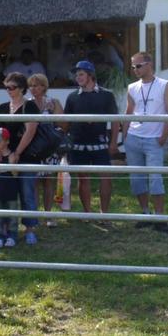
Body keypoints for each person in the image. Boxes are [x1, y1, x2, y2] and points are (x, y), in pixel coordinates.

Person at [60, 61, 119, 229]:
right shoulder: (72, 97)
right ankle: (87, 213)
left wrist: (114, 142)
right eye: (76, 74)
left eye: (81, 74)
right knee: (83, 178)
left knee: (105, 178)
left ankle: (104, 214)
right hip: (78, 144)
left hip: (100, 144)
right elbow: (66, 123)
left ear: (90, 75)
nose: (77, 77)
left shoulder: (106, 95)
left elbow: (115, 121)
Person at [125, 52, 168, 234]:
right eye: (133, 67)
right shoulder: (132, 87)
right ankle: (145, 214)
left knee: (155, 178)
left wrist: (164, 136)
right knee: (136, 179)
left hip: (154, 139)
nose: (135, 70)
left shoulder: (164, 85)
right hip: (134, 138)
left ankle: (159, 217)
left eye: (138, 66)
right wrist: (125, 134)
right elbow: (129, 111)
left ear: (149, 64)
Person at [0, 72, 41, 244]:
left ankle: (30, 229)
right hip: (4, 158)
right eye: (7, 87)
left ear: (22, 89)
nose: (9, 90)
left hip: (26, 157)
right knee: (4, 195)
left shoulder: (30, 106)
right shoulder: (2, 107)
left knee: (27, 193)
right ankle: (4, 230)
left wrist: (16, 153)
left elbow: (30, 131)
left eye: (13, 87)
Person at [27, 73, 65, 227]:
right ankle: (35, 215)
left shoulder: (53, 102)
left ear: (44, 86)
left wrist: (52, 112)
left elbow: (63, 123)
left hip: (50, 147)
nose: (33, 88)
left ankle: (48, 215)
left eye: (36, 85)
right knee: (34, 181)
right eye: (31, 85)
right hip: (34, 147)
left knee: (48, 181)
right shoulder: (26, 103)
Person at [0, 127, 20, 248]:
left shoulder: (13, 155)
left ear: (7, 141)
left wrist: (12, 164)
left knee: (12, 215)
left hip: (11, 190)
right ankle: (0, 236)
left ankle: (12, 236)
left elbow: (16, 174)